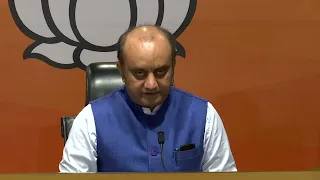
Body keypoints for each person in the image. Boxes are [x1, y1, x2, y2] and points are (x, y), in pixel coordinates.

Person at [59, 25, 237, 172]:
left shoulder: (204, 115)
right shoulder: (90, 120)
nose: (151, 84)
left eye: (160, 72)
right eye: (139, 73)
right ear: (121, 70)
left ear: (173, 67)